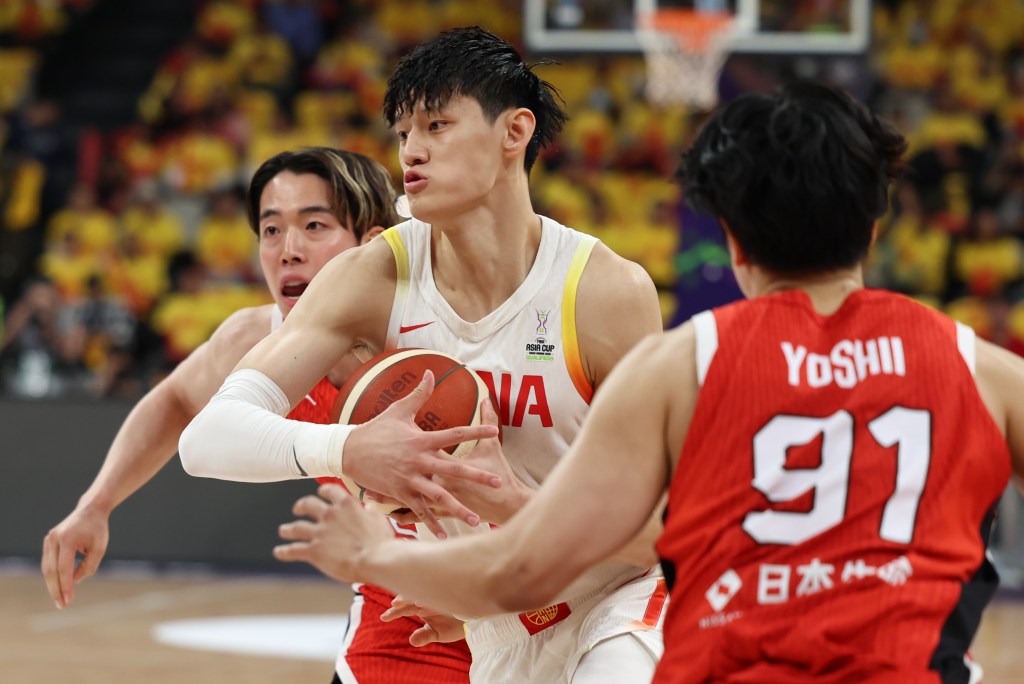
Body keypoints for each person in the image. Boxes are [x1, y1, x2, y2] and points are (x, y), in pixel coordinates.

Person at [273, 82, 1024, 683]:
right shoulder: (983, 371)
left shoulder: (677, 369)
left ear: (730, 235)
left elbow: (521, 567)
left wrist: (375, 556)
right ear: (876, 224)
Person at [179, 26, 667, 684]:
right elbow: (206, 439)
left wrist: (509, 504)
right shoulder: (375, 275)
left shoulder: (604, 292)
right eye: (404, 132)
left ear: (513, 133)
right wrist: (350, 451)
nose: (412, 151)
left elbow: (666, 534)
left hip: (618, 605)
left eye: (437, 125)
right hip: (500, 622)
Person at [41, 147, 488, 684]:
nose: (288, 250)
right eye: (271, 230)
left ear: (371, 244)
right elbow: (178, 402)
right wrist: (96, 504)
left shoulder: (453, 333)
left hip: (521, 593)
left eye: (314, 224)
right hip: (400, 616)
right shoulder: (258, 341)